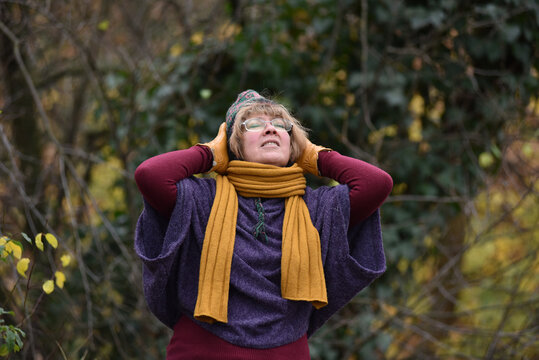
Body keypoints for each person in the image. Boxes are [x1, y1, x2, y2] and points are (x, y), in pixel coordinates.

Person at [134, 90, 393, 359]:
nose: (270, 128)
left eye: (280, 125)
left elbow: (377, 184)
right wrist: (210, 154)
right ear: (233, 145)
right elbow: (150, 175)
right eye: (254, 124)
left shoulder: (318, 208)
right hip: (202, 349)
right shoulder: (201, 199)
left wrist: (313, 155)